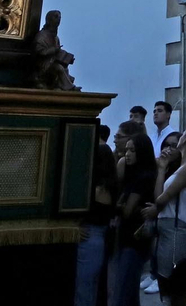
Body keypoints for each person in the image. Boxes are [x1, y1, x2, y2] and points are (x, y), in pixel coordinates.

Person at [145, 125, 186, 304]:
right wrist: (161, 169)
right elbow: (159, 196)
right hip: (169, 227)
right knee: (168, 284)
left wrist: (156, 207)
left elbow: (162, 198)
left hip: (178, 229)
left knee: (174, 285)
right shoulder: (183, 166)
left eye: (183, 135)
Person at [109, 133, 158, 306]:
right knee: (128, 293)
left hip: (134, 240)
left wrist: (117, 205)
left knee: (122, 291)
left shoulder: (143, 177)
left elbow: (128, 210)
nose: (127, 154)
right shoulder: (133, 175)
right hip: (127, 237)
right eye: (127, 149)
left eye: (133, 150)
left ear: (142, 152)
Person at [75, 130, 119, 306]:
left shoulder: (95, 189)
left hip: (88, 237)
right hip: (100, 237)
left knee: (83, 287)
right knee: (91, 286)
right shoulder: (111, 186)